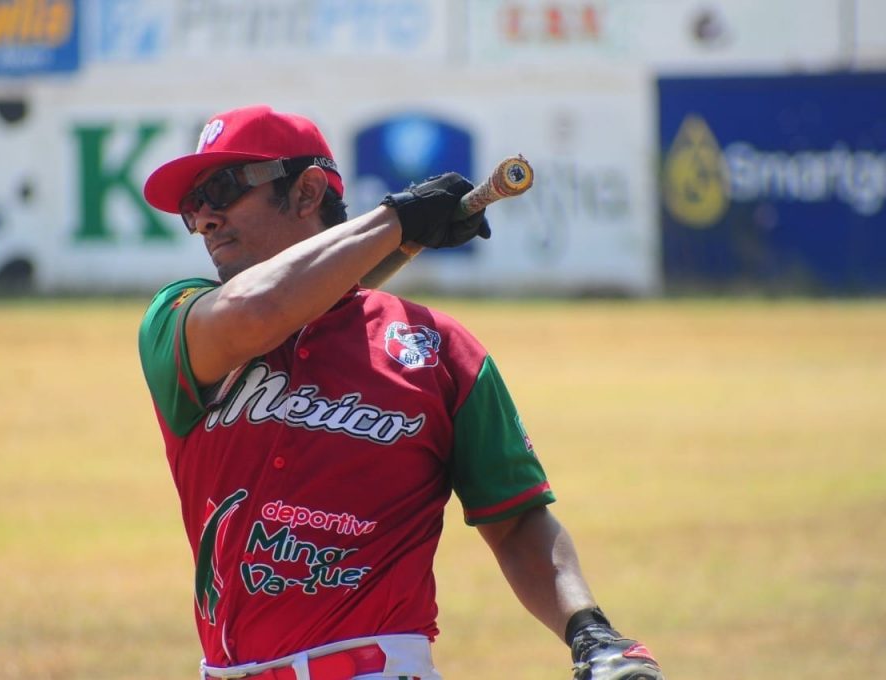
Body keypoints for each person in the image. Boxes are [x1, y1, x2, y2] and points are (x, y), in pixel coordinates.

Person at [137, 104, 663, 680]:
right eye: (193, 205)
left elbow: (515, 522)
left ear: (307, 192)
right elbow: (260, 311)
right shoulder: (177, 320)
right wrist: (399, 219)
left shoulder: (439, 350)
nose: (204, 218)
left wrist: (588, 629)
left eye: (221, 189)